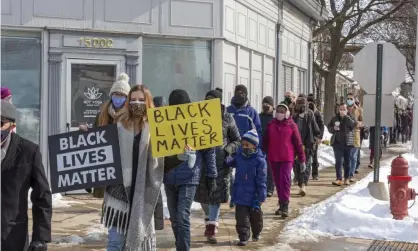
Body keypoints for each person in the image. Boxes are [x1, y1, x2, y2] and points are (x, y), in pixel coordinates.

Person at [101, 85, 164, 251]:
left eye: (141, 100)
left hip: (143, 194)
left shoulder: (156, 128)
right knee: (115, 243)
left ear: (148, 102)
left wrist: (186, 156)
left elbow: (168, 159)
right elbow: (101, 147)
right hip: (118, 194)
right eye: (133, 99)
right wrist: (84, 135)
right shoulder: (119, 125)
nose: (137, 103)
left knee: (140, 244)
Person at [164, 89, 217, 251]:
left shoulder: (197, 123)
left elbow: (209, 150)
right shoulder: (165, 124)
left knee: (182, 216)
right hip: (169, 177)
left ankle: (183, 248)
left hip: (189, 176)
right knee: (174, 218)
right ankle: (180, 244)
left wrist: (212, 174)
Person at [1, 100, 52, 251]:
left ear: (12, 126)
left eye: (0, 123)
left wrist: (40, 238)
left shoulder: (28, 151)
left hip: (12, 237)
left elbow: (42, 196)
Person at [194, 90, 241, 244]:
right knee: (203, 197)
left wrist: (227, 150)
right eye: (206, 100)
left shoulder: (227, 117)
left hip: (221, 164)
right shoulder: (197, 116)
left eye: (212, 100)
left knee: (215, 196)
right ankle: (209, 218)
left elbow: (237, 140)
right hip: (202, 162)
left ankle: (212, 226)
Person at [81, 73, 131, 197]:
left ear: (127, 98)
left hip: (124, 168)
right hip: (106, 166)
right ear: (111, 95)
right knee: (107, 203)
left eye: (122, 95)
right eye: (116, 94)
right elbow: (93, 141)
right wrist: (85, 132)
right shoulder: (102, 115)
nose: (118, 98)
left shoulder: (131, 117)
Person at [263, 103, 305, 218]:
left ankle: (285, 206)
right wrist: (261, 153)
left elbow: (298, 143)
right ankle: (281, 204)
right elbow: (265, 141)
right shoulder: (271, 125)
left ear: (287, 113)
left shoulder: (292, 125)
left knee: (285, 180)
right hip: (274, 157)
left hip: (287, 158)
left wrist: (302, 158)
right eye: (278, 111)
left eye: (282, 111)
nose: (279, 113)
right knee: (278, 182)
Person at [225, 130, 267, 246]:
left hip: (254, 197)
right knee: (241, 219)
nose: (244, 147)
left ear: (254, 145)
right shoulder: (239, 157)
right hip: (240, 195)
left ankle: (256, 232)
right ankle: (243, 237)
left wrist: (261, 194)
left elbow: (261, 179)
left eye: (247, 145)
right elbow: (231, 162)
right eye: (243, 145)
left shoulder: (260, 161)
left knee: (256, 220)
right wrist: (226, 159)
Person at [227, 85, 262, 208]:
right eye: (238, 92)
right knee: (229, 175)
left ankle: (239, 197)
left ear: (246, 95)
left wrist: (257, 148)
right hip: (230, 147)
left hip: (245, 149)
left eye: (243, 92)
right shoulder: (228, 110)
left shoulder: (251, 112)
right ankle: (232, 196)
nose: (240, 94)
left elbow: (257, 131)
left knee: (242, 176)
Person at [292, 95, 321, 196]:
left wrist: (317, 136)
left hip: (307, 144)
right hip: (295, 144)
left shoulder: (310, 114)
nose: (302, 108)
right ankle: (299, 179)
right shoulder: (293, 116)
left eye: (303, 106)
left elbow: (315, 127)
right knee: (296, 165)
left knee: (306, 164)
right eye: (299, 105)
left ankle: (303, 185)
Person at [328, 103, 356, 186]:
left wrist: (346, 117)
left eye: (344, 109)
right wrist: (334, 128)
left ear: (347, 110)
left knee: (347, 162)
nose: (342, 111)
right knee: (339, 161)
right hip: (337, 143)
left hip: (348, 143)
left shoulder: (350, 118)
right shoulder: (335, 118)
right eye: (341, 109)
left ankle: (346, 178)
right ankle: (338, 179)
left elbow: (353, 126)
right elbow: (329, 128)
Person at [259, 96, 275, 196]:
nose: (265, 107)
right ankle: (261, 186)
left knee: (270, 169)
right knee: (260, 168)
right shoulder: (258, 116)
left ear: (272, 107)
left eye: (267, 105)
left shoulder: (274, 119)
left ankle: (270, 188)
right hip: (260, 146)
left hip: (271, 147)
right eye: (263, 105)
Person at [346, 93, 363, 183]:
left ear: (354, 99)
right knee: (346, 156)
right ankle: (346, 174)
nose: (349, 100)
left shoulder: (359, 110)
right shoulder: (344, 108)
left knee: (353, 156)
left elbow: (362, 122)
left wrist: (358, 123)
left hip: (355, 134)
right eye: (348, 98)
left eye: (351, 99)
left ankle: (351, 174)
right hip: (346, 135)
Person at [307, 93, 324, 180]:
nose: (310, 103)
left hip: (314, 137)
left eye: (311, 101)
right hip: (306, 137)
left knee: (314, 156)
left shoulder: (317, 113)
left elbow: (321, 125)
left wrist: (319, 137)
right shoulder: (305, 112)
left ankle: (315, 173)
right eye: (308, 101)